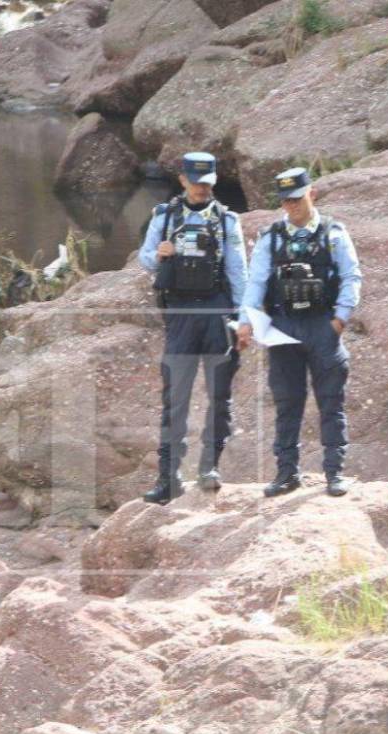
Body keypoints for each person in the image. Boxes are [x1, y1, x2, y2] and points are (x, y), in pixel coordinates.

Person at [236, 167, 362, 498]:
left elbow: (352, 277)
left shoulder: (334, 233)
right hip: (283, 328)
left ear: (312, 194)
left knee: (331, 402)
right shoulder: (271, 237)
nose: (291, 206)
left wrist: (340, 319)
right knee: (287, 402)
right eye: (285, 201)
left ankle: (334, 473)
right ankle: (287, 473)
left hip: (323, 325)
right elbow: (257, 282)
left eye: (296, 198)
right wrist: (246, 321)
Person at [138, 152, 248, 504]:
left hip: (217, 310)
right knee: (175, 397)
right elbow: (144, 259)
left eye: (208, 183)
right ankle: (167, 478)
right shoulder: (164, 216)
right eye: (197, 182)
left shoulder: (228, 221)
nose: (202, 189)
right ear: (183, 180)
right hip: (180, 314)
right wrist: (160, 253)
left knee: (219, 394)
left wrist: (243, 320)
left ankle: (209, 467)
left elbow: (238, 272)